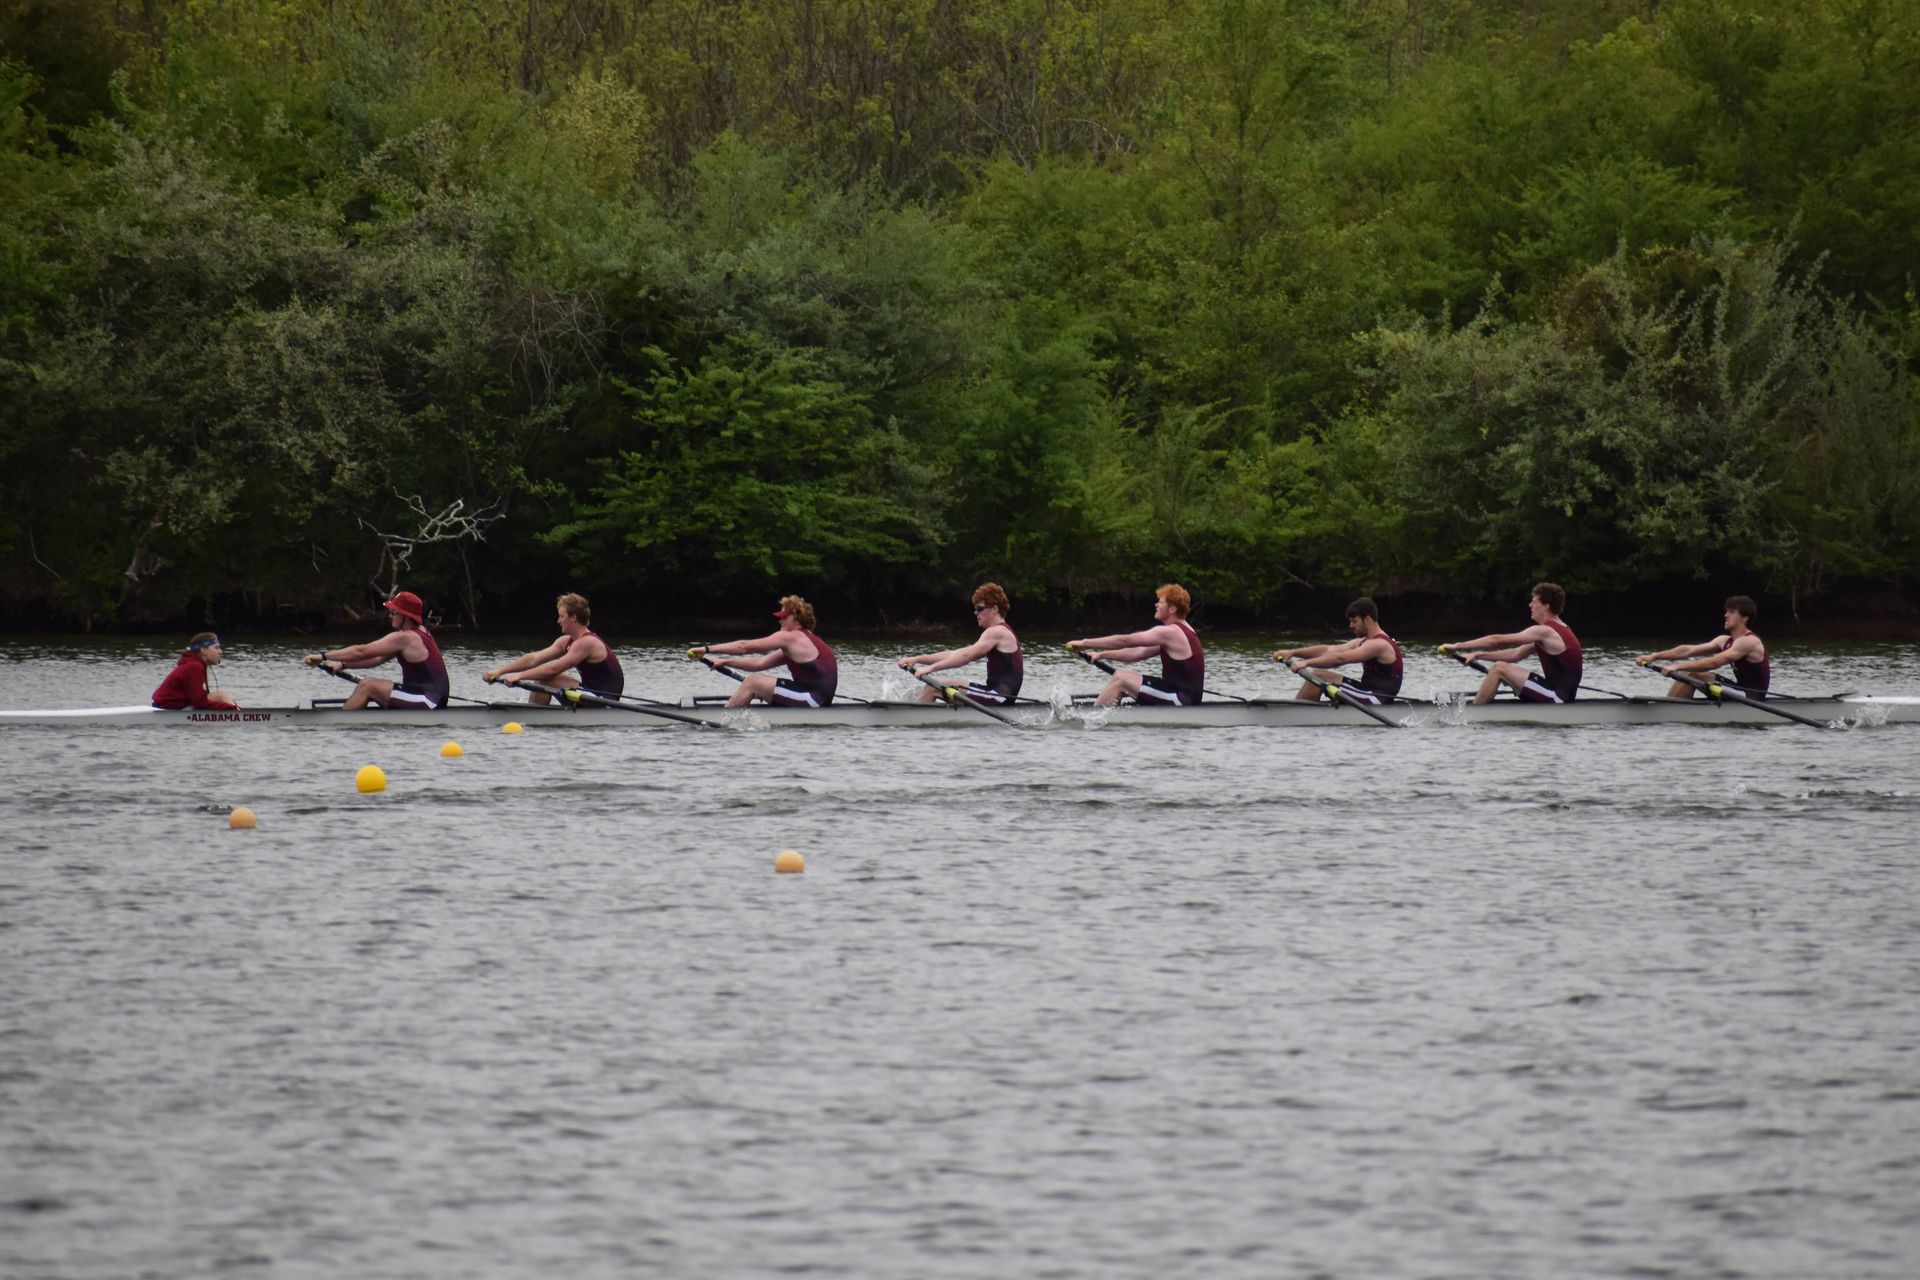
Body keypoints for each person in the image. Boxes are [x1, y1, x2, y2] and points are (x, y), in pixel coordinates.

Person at [303, 590, 451, 710]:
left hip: (428, 700)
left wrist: (323, 656)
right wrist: (342, 665)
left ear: (406, 617)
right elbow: (377, 659)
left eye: (394, 613)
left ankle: (339, 725)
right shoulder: (420, 631)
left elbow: (361, 651)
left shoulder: (407, 638)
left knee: (368, 686)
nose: (391, 616)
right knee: (369, 685)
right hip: (429, 697)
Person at [1067, 583, 1205, 707]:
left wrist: (1085, 643)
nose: (1156, 605)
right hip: (1178, 693)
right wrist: (1101, 655)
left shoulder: (1171, 632)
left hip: (1182, 699)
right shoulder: (1179, 632)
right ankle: (1105, 712)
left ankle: (1092, 718)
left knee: (1121, 680)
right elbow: (1137, 653)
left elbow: (1126, 641)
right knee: (1120, 674)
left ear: (1172, 609)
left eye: (1160, 602)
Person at [1444, 582, 1583, 704]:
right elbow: (1515, 654)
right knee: (1501, 668)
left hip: (1557, 698)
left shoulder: (1546, 631)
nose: (1530, 605)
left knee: (1499, 669)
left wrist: (1457, 646)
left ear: (1546, 606)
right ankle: (1480, 706)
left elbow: (1497, 641)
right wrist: (1477, 655)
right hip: (1558, 694)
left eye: (1534, 602)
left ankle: (1474, 714)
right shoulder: (1557, 629)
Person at [690, 595, 838, 708]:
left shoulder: (791, 637)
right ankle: (734, 710)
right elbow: (760, 663)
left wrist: (707, 649)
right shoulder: (804, 641)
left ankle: (722, 718)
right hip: (817, 699)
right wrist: (725, 661)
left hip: (812, 699)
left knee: (753, 681)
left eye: (784, 617)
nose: (780, 621)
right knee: (757, 681)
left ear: (797, 618)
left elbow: (744, 646)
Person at [483, 593, 625, 704]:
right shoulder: (565, 642)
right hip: (589, 692)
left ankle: (533, 717)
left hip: (604, 700)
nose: (558, 621)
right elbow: (533, 659)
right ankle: (534, 714)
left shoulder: (587, 642)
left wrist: (519, 676)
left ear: (573, 617)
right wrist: (499, 671)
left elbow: (553, 669)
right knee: (544, 678)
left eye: (561, 616)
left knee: (546, 679)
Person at [896, 583, 1024, 704]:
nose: (975, 613)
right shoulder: (998, 633)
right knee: (922, 690)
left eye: (979, 608)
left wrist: (931, 668)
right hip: (996, 693)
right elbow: (956, 654)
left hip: (998, 696)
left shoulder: (997, 632)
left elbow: (965, 657)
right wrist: (917, 659)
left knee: (932, 687)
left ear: (995, 609)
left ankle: (911, 722)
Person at [1273, 596, 1404, 704]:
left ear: (1367, 619)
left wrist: (1306, 663)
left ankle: (1296, 715)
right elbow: (1329, 650)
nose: (1350, 626)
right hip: (1366, 691)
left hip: (1377, 698)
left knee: (1318, 676)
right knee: (1319, 675)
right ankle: (1300, 710)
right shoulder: (1363, 642)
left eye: (1354, 621)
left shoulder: (1379, 644)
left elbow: (1341, 659)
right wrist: (1293, 653)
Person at [1636, 595, 1770, 698]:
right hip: (1738, 689)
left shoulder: (1749, 641)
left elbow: (1714, 662)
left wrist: (1676, 666)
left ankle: (1670, 710)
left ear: (1744, 618)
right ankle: (1671, 705)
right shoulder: (1724, 640)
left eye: (1731, 612)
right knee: (1687, 674)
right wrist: (1654, 656)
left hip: (1752, 696)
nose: (1725, 615)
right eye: (1726, 611)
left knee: (1692, 675)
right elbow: (1688, 650)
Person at [152, 633, 238, 710]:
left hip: (175, 705)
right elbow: (199, 702)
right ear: (203, 651)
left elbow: (200, 699)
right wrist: (228, 708)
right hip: (166, 708)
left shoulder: (195, 664)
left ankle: (238, 711)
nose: (220, 652)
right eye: (216, 648)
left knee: (220, 696)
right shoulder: (194, 667)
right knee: (220, 696)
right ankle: (238, 714)